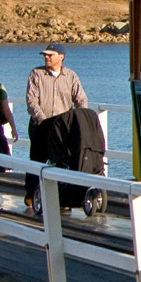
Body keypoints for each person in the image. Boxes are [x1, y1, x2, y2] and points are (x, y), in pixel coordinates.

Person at [24, 44, 87, 208]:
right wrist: (44, 122)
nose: (47, 58)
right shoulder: (36, 74)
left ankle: (63, 196)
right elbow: (32, 102)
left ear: (61, 57)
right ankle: (31, 193)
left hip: (62, 129)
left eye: (50, 55)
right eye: (45, 55)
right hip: (40, 125)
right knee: (37, 160)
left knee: (63, 161)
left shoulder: (70, 76)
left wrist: (81, 121)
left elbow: (81, 100)